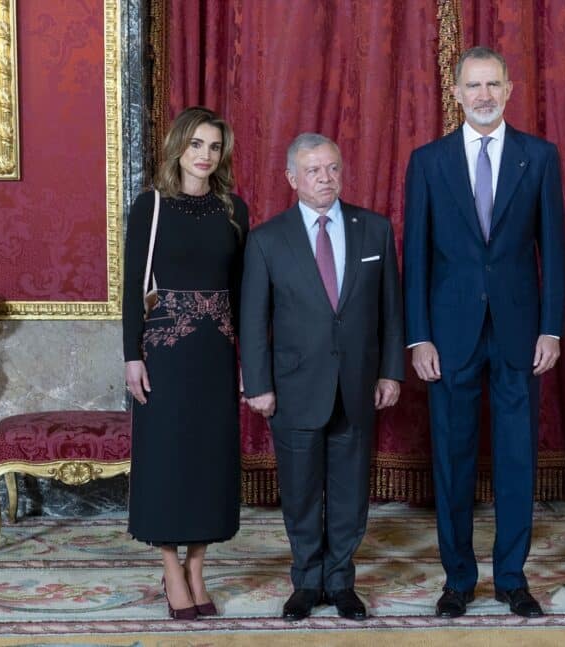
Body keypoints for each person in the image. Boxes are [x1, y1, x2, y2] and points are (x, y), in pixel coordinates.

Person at [403, 46, 565, 619]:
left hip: (521, 332)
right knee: (452, 458)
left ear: (510, 89)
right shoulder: (427, 161)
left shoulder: (539, 157)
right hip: (449, 336)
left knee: (518, 457)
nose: (484, 95)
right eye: (473, 86)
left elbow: (552, 248)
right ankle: (458, 580)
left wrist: (552, 328)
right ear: (456, 93)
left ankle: (512, 578)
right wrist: (418, 335)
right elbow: (416, 255)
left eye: (493, 84)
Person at [240, 133, 404, 622]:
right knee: (301, 491)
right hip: (293, 389)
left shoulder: (374, 230)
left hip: (357, 384)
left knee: (351, 491)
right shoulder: (267, 238)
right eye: (313, 171)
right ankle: (307, 582)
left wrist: (390, 371)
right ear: (292, 178)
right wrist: (259, 384)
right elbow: (253, 320)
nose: (325, 178)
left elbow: (391, 312)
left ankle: (341, 582)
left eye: (332, 168)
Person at [122, 106, 248, 620]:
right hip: (165, 352)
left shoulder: (233, 209)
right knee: (167, 456)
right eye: (196, 144)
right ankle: (171, 565)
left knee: (208, 460)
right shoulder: (150, 205)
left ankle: (198, 566)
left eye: (214, 147)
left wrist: (247, 359)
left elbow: (241, 291)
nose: (205, 156)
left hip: (216, 352)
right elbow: (134, 286)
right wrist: (132, 355)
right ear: (178, 146)